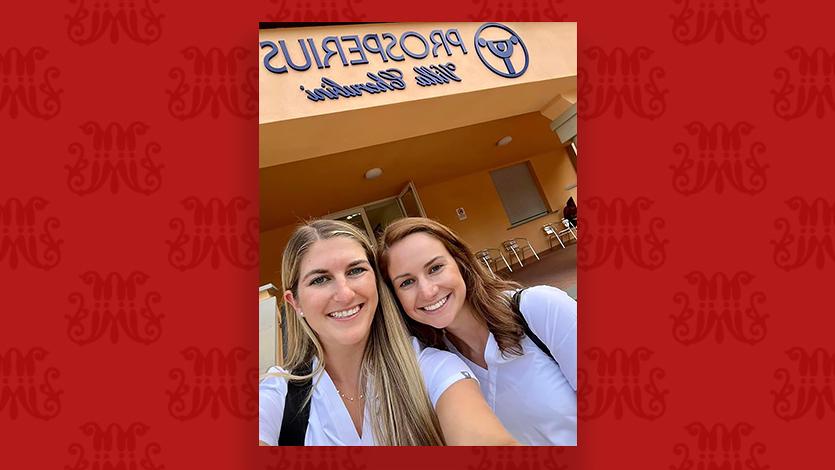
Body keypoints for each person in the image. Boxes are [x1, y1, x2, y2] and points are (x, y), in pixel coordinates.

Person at [259, 219, 517, 446]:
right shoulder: (278, 392)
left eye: (356, 270)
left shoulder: (429, 367)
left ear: (377, 283)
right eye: (320, 279)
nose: (345, 294)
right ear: (296, 303)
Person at [378, 217, 577, 446]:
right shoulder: (437, 365)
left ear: (460, 263)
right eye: (406, 282)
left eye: (435, 268)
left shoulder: (541, 308)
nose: (428, 291)